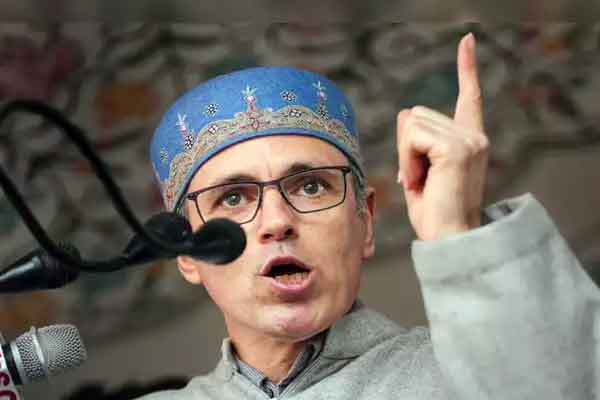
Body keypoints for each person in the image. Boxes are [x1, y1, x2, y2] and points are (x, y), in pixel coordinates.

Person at [140, 34, 599, 399]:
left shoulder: (474, 376)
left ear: (366, 222)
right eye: (232, 199)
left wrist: (460, 236)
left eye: (311, 186)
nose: (276, 221)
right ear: (187, 254)